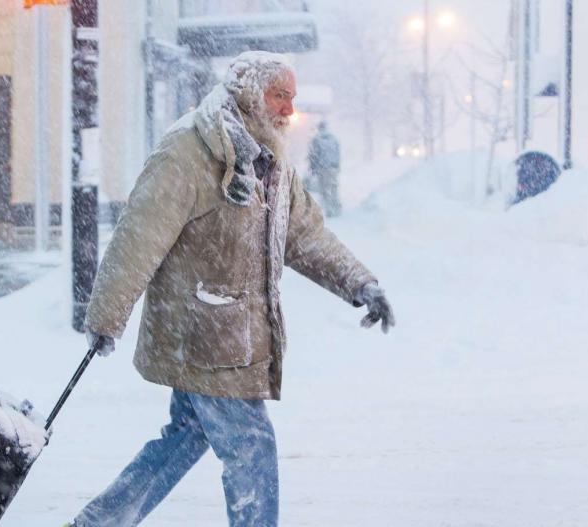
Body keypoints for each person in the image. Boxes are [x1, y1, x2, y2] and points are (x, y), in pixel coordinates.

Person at [67, 51, 395, 527]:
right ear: (248, 92)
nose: (288, 109)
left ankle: (98, 522)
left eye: (292, 98)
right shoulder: (188, 151)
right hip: (202, 334)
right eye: (278, 95)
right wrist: (106, 315)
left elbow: (304, 235)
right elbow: (139, 237)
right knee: (251, 448)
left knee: (185, 436)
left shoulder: (271, 162)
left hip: (231, 335)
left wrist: (360, 282)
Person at [307, 120, 342, 217]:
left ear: (319, 128)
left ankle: (329, 209)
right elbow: (338, 153)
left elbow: (313, 156)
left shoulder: (317, 139)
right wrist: (337, 166)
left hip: (322, 168)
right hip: (333, 168)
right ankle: (336, 207)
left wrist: (313, 169)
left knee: (324, 189)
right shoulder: (333, 138)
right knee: (334, 187)